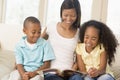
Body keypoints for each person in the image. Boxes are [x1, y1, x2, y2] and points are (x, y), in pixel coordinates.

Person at [42, 0, 82, 80]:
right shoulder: (51, 26)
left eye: (73, 15)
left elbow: (80, 57)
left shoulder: (79, 33)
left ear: (78, 14)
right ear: (61, 13)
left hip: (70, 73)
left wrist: (74, 68)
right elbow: (36, 44)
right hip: (51, 72)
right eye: (65, 15)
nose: (68, 19)